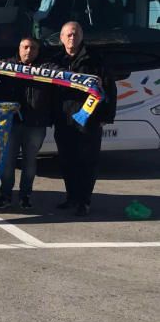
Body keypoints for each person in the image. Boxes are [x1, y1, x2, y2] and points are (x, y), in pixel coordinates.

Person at [49, 21, 116, 216]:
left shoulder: (95, 60)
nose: (72, 37)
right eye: (68, 34)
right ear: (61, 38)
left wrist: (106, 117)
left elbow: (110, 89)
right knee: (66, 161)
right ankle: (71, 197)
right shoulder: (55, 62)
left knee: (87, 162)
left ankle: (84, 201)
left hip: (89, 121)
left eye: (75, 34)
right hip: (64, 121)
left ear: (81, 37)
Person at [0, 37, 52, 210]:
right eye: (25, 47)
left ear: (38, 51)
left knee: (30, 163)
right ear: (19, 48)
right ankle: (5, 194)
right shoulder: (6, 66)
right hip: (11, 123)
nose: (29, 51)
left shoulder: (46, 69)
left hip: (36, 124)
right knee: (8, 163)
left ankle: (25, 195)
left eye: (33, 48)